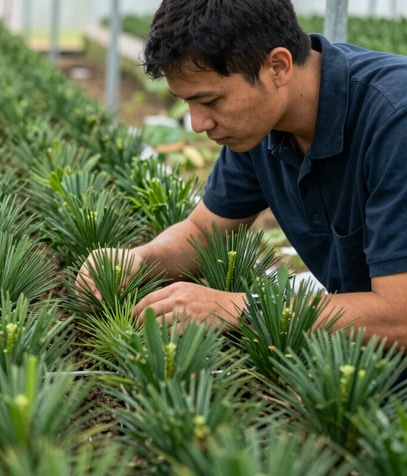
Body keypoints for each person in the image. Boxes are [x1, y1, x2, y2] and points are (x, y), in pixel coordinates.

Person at [77, 0, 407, 349]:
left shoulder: (393, 122)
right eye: (186, 102)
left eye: (211, 101)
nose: (197, 124)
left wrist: (236, 308)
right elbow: (204, 233)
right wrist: (139, 260)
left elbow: (399, 317)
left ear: (278, 67)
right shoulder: (262, 126)